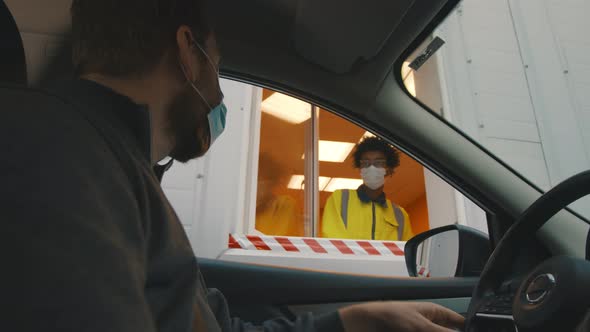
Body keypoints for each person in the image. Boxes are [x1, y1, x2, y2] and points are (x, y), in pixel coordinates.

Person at [0, 0, 463, 331]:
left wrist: (348, 322)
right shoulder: (55, 153)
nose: (219, 96)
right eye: (216, 64)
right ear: (188, 52)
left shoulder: (115, 168)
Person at [322, 137, 414, 241]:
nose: (371, 168)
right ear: (360, 169)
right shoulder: (340, 199)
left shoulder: (400, 215)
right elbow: (333, 240)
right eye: (366, 163)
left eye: (378, 163)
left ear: (388, 169)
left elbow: (406, 251)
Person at [255, 153, 304, 236]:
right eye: (258, 178)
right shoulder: (241, 208)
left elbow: (280, 238)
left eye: (265, 179)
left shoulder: (284, 205)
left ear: (273, 182)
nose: (260, 184)